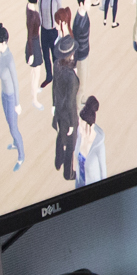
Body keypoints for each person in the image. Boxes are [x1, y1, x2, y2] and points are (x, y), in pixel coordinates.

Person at [0, 23, 26, 172]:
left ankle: (21, 155)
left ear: (3, 43)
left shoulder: (9, 59)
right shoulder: (2, 55)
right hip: (4, 95)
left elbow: (16, 82)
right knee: (9, 122)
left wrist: (17, 104)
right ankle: (14, 142)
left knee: (14, 128)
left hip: (11, 98)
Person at [50, 19, 79, 178]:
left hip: (59, 111)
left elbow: (54, 86)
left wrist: (54, 105)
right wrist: (73, 124)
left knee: (60, 136)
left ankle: (57, 161)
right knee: (71, 144)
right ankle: (68, 172)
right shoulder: (71, 77)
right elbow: (70, 102)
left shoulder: (56, 65)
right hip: (68, 114)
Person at [75, 96, 106, 187]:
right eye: (79, 125)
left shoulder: (99, 144)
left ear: (90, 127)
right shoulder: (79, 134)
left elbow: (103, 171)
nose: (80, 129)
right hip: (79, 183)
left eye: (83, 127)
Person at [24, 0, 46, 107]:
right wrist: (31, 53)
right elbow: (29, 35)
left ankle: (34, 89)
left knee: (34, 71)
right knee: (36, 72)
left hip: (33, 43)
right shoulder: (33, 16)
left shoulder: (28, 7)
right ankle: (34, 99)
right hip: (34, 44)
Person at [36, 0, 59, 87]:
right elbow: (39, 10)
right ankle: (49, 76)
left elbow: (59, 11)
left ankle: (58, 76)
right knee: (45, 54)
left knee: (55, 56)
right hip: (43, 30)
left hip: (53, 30)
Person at [72, 0, 93, 87]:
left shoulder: (84, 14)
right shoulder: (78, 24)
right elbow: (75, 44)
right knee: (81, 86)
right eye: (87, 2)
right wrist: (74, 65)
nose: (90, 4)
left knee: (84, 80)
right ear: (81, 4)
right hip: (80, 58)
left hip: (85, 52)